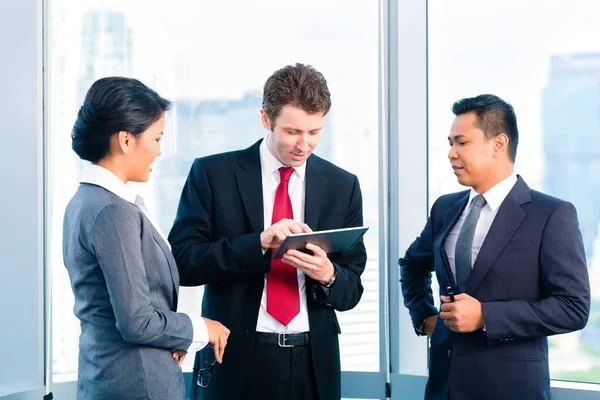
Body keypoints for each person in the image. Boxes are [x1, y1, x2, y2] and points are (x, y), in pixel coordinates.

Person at [168, 63, 367, 400]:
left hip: (312, 363)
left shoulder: (342, 185)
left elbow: (352, 291)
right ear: (265, 118)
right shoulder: (213, 174)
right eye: (292, 132)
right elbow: (183, 263)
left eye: (315, 131)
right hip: (234, 356)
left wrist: (329, 274)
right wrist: (257, 244)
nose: (305, 144)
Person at [399, 94, 590, 400]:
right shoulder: (445, 208)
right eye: (450, 142)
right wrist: (425, 318)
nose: (450, 153)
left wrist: (486, 316)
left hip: (511, 389)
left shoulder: (551, 214)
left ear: (498, 144)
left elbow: (573, 308)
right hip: (444, 388)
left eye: (462, 142)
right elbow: (412, 265)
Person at [62, 77, 230, 400]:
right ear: (126, 140)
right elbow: (136, 321)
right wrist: (201, 328)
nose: (158, 150)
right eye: (156, 137)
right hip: (136, 385)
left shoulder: (84, 201)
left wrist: (178, 338)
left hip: (107, 378)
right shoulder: (113, 211)